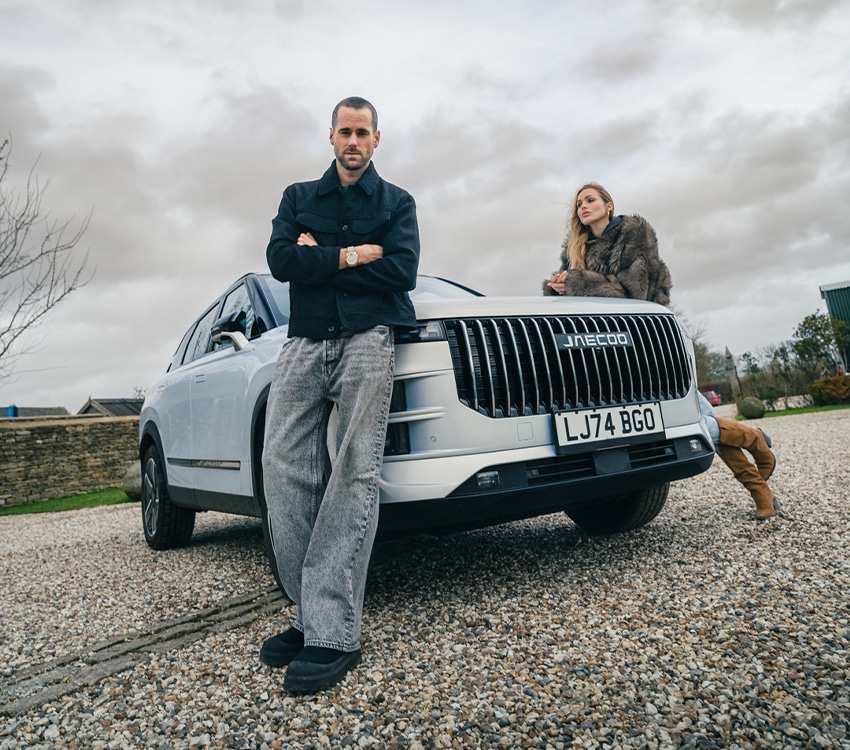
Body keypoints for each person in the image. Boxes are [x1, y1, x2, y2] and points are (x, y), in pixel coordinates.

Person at [260, 96, 420, 692]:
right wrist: (353, 254)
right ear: (330, 137)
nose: (353, 142)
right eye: (344, 132)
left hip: (369, 339)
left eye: (363, 132)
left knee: (355, 471)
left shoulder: (397, 203)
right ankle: (311, 616)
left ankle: (332, 634)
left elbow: (400, 271)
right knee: (281, 467)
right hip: (305, 340)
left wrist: (318, 259)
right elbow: (279, 262)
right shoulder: (299, 197)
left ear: (377, 139)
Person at [545, 182, 780, 520]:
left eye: (591, 200)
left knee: (689, 417)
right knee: (698, 414)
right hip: (599, 350)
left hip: (646, 343)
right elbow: (575, 303)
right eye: (579, 203)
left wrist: (577, 282)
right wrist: (556, 289)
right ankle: (756, 458)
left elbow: (634, 292)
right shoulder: (574, 249)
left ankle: (758, 477)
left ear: (608, 204)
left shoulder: (634, 232)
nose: (583, 206)